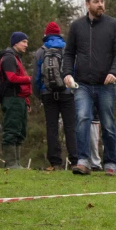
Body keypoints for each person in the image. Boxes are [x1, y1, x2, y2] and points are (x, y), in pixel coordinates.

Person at [62, 0, 116, 176]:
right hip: (82, 84)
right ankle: (83, 161)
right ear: (87, 4)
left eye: (102, 1)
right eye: (96, 2)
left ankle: (111, 163)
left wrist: (114, 72)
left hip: (106, 85)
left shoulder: (114, 25)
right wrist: (66, 73)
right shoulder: (76, 27)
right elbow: (68, 53)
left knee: (107, 123)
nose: (101, 5)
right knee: (82, 119)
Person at [34, 21, 77, 171]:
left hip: (48, 93)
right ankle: (74, 161)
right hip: (66, 93)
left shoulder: (41, 51)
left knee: (51, 127)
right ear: (59, 33)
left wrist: (39, 93)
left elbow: (37, 77)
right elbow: (74, 69)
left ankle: (55, 162)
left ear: (46, 34)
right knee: (70, 127)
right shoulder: (67, 49)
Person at [0, 31, 31, 169]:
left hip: (20, 99)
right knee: (11, 130)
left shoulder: (17, 58)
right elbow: (11, 78)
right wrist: (30, 79)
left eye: (27, 42)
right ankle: (11, 163)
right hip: (11, 99)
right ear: (15, 43)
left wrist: (27, 101)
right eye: (24, 42)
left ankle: (17, 163)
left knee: (20, 131)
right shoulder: (9, 58)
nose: (26, 45)